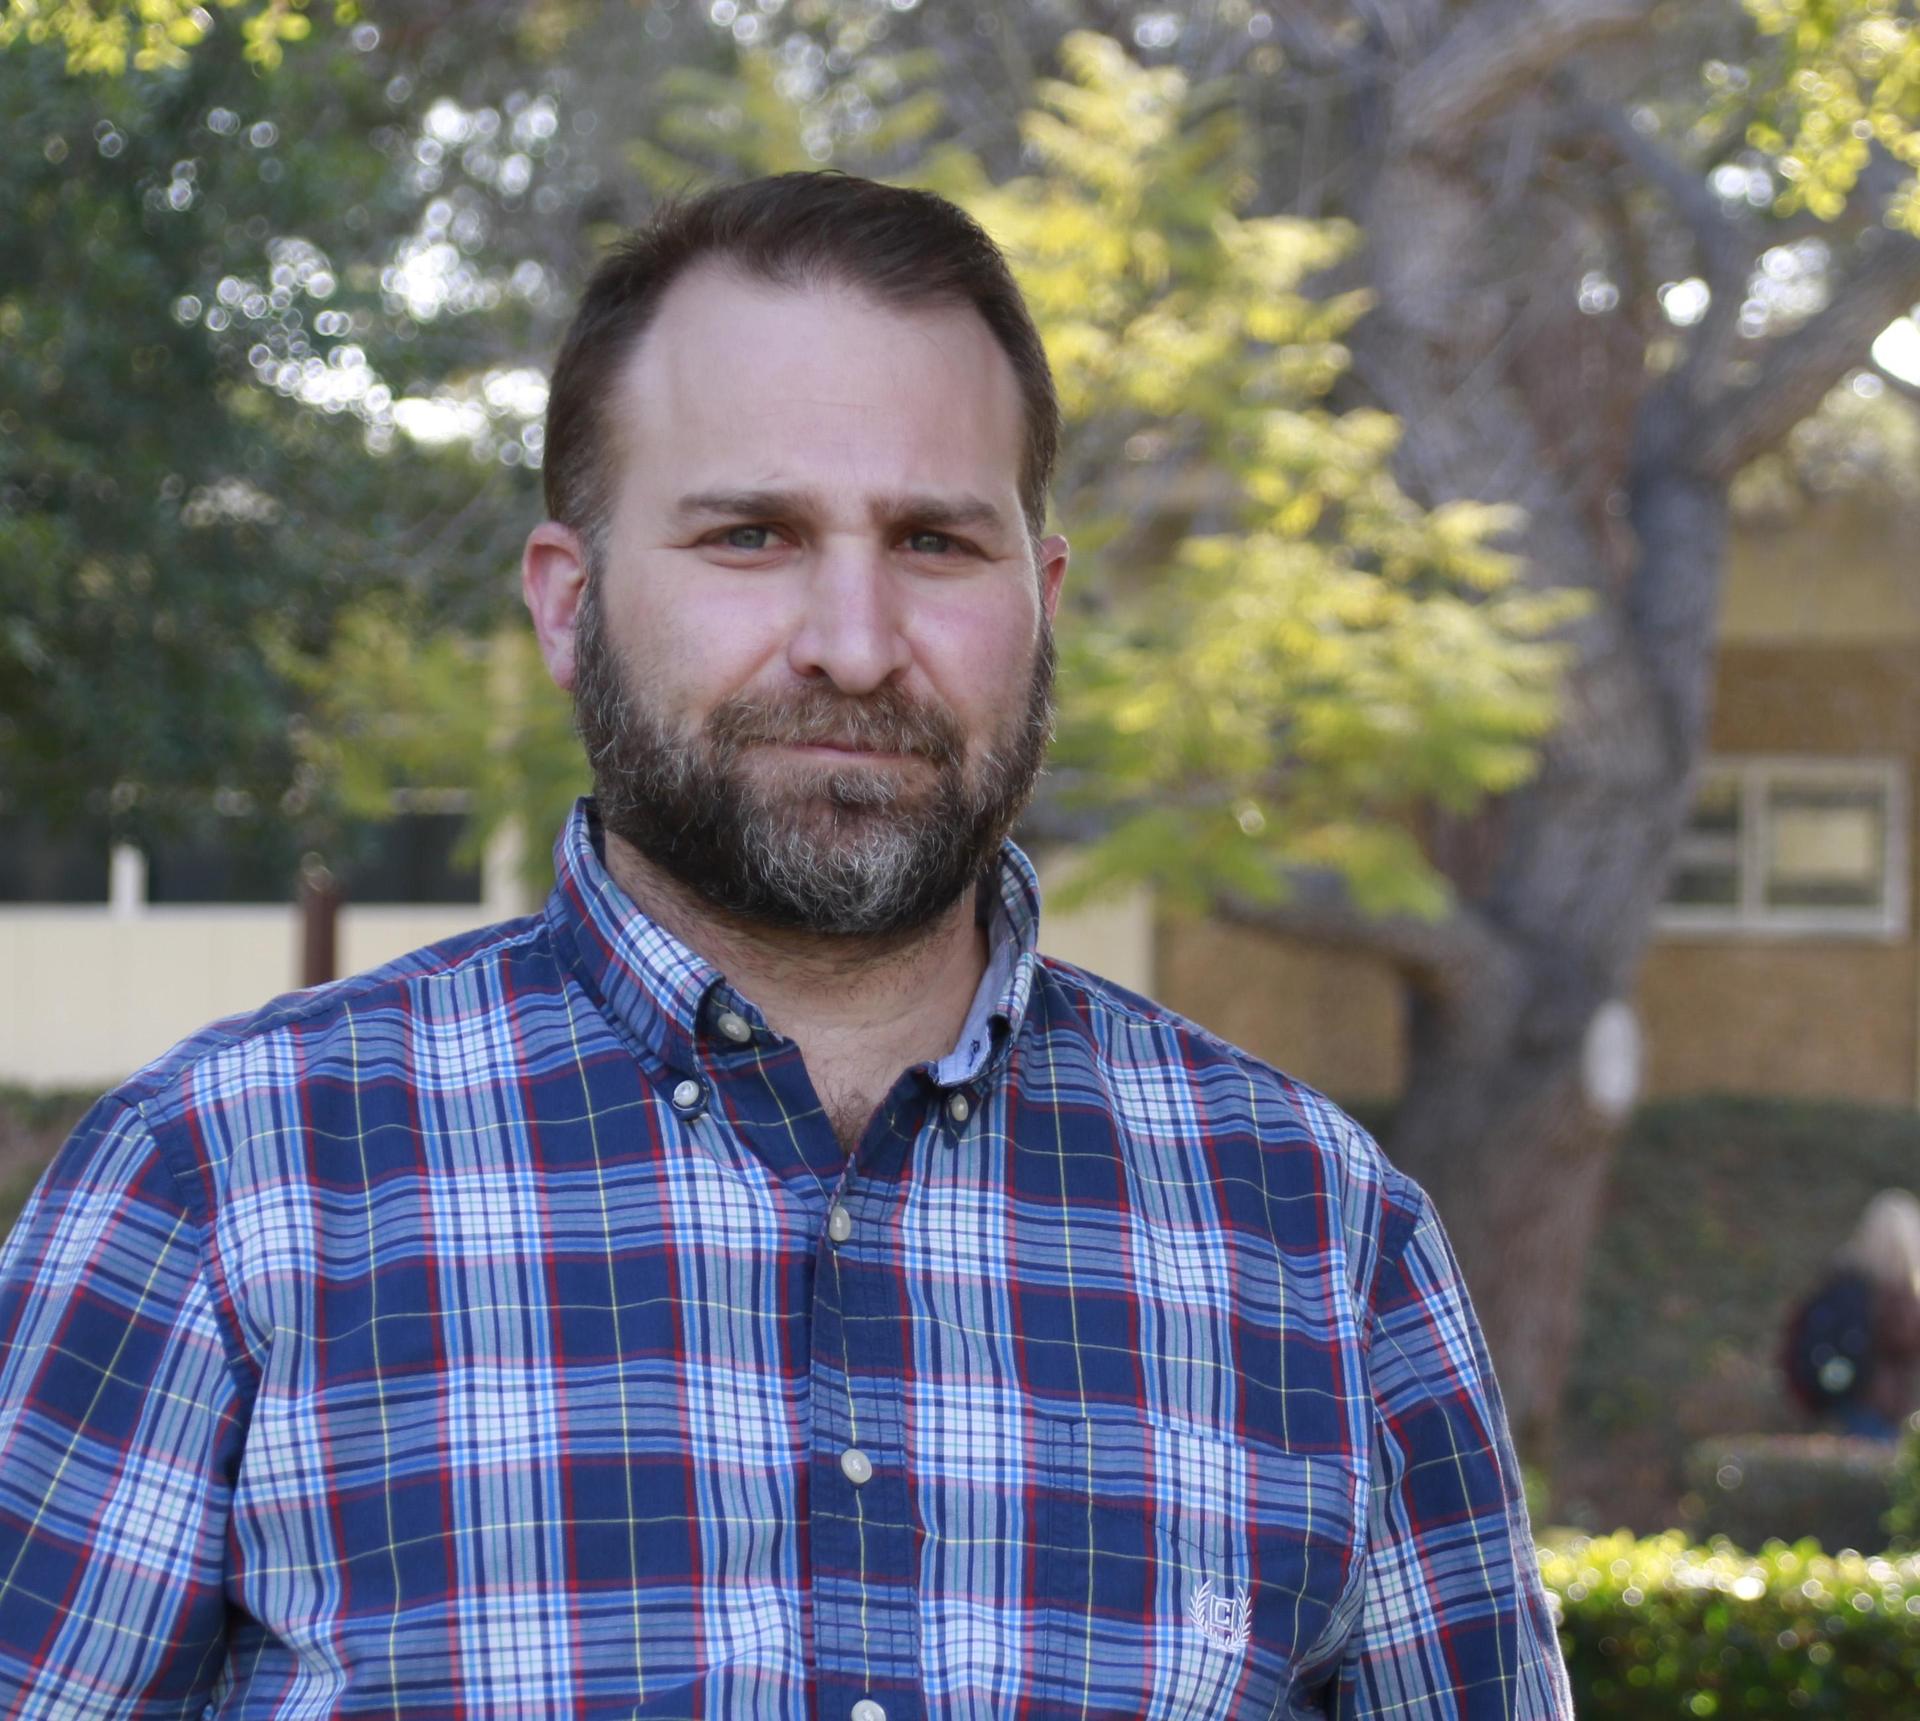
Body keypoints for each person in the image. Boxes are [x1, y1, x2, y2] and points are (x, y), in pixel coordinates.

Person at [0, 173, 1570, 1718]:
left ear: (1045, 599)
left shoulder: (1316, 1237)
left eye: (938, 543)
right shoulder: (222, 1190)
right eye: (752, 534)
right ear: (567, 605)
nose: (856, 642)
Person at [1783, 1188, 1920, 1440]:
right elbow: (1903, 1340)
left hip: (1849, 1402)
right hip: (1873, 1405)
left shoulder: (1844, 1281)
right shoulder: (1880, 1292)